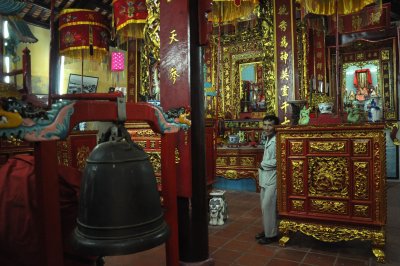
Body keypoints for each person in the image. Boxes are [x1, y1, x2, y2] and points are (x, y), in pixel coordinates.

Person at [255, 114, 280, 245]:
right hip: (265, 177)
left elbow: (279, 160)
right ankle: (267, 230)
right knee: (264, 207)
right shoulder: (268, 138)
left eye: (270, 125)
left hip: (273, 178)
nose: (266, 127)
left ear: (275, 126)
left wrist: (263, 164)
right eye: (265, 125)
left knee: (268, 206)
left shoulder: (276, 140)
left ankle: (272, 235)